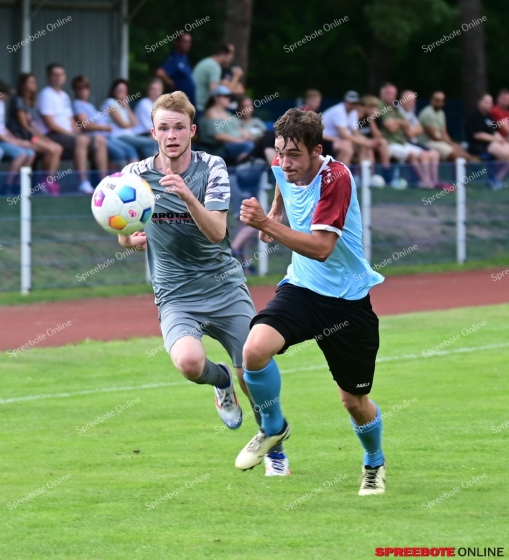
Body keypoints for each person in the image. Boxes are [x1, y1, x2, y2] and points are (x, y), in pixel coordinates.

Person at [118, 91, 291, 477]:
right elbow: (123, 231)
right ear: (153, 133)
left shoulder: (212, 166)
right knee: (189, 363)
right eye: (164, 128)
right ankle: (220, 381)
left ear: (192, 131)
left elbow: (216, 231)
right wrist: (130, 239)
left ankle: (274, 445)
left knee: (253, 372)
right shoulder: (134, 175)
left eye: (179, 127)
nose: (172, 135)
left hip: (223, 286)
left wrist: (185, 195)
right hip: (175, 293)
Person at [235, 108, 386, 495]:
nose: (285, 163)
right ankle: (274, 428)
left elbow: (321, 248)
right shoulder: (282, 165)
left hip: (347, 303)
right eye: (280, 153)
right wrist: (275, 211)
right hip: (302, 289)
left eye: (294, 155)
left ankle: (373, 462)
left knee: (354, 401)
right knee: (254, 351)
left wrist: (267, 224)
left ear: (316, 151)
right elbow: (281, 185)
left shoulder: (336, 178)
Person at [38, 63, 107, 194]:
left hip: (67, 135)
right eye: (55, 74)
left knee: (99, 139)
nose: (58, 77)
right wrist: (74, 135)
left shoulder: (64, 96)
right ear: (48, 77)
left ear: (64, 77)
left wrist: (78, 132)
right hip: (52, 135)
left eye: (61, 74)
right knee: (81, 140)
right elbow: (50, 124)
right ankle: (83, 183)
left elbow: (70, 120)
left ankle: (104, 182)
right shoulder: (46, 94)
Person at [7, 72, 64, 193]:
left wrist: (43, 137)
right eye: (31, 82)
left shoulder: (33, 101)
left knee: (58, 148)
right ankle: (43, 182)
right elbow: (24, 125)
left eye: (34, 82)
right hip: (22, 136)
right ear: (23, 85)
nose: (34, 84)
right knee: (51, 150)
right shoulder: (18, 101)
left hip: (31, 135)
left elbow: (33, 124)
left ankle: (49, 180)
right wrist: (38, 137)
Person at [379, 84, 441, 188]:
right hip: (391, 143)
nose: (392, 96)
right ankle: (425, 182)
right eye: (389, 93)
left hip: (402, 143)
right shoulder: (382, 106)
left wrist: (399, 123)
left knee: (429, 154)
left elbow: (414, 129)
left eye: (394, 94)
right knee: (416, 155)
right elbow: (393, 128)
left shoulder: (395, 108)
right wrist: (402, 123)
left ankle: (432, 182)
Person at [72, 75, 137, 167]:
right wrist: (104, 128)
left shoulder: (89, 105)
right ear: (75, 90)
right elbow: (84, 124)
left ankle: (133, 175)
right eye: (79, 88)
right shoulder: (77, 104)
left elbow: (135, 123)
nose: (83, 90)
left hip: (106, 136)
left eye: (85, 87)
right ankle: (108, 177)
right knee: (120, 153)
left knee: (129, 150)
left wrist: (126, 106)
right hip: (99, 137)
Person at [0, 79, 36, 193]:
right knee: (21, 154)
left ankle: (20, 185)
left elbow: (2, 127)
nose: (7, 97)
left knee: (31, 153)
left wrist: (15, 139)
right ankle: (7, 185)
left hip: (3, 138)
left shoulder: (0, 104)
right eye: (6, 94)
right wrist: (17, 143)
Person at [101, 79, 159, 160]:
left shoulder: (123, 107)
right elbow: (123, 124)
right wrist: (130, 125)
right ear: (113, 91)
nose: (122, 92)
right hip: (118, 136)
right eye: (119, 90)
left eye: (124, 91)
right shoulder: (110, 102)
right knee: (151, 143)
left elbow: (135, 123)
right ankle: (159, 167)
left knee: (142, 149)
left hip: (128, 135)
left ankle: (151, 167)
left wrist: (127, 106)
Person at [199, 86, 254, 164]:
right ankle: (241, 165)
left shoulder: (228, 113)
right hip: (218, 149)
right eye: (225, 96)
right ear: (216, 98)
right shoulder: (211, 113)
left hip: (233, 145)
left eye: (229, 96)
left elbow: (238, 128)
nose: (229, 99)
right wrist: (239, 140)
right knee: (248, 145)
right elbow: (218, 136)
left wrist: (245, 134)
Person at [418, 91, 477, 162]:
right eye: (437, 100)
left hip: (439, 142)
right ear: (431, 100)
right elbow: (434, 137)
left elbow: (444, 133)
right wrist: (451, 145)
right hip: (427, 143)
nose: (440, 102)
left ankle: (474, 164)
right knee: (456, 154)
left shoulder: (441, 113)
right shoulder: (427, 113)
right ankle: (475, 164)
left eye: (442, 100)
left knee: (460, 151)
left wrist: (452, 144)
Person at [466, 93, 509, 190]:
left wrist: (502, 140)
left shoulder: (489, 117)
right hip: (479, 145)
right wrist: (495, 139)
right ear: (479, 102)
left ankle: (496, 179)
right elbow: (478, 135)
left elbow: (493, 131)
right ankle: (493, 179)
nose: (488, 104)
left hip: (492, 143)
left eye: (490, 102)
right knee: (506, 154)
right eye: (486, 102)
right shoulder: (474, 117)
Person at [193, 43, 244, 115]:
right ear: (224, 55)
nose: (231, 58)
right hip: (199, 106)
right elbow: (215, 92)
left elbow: (240, 90)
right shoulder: (215, 67)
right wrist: (236, 77)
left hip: (194, 103)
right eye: (229, 55)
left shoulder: (207, 62)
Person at [156, 34, 196, 107]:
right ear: (177, 42)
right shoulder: (174, 58)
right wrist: (170, 83)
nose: (187, 44)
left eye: (189, 42)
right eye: (184, 41)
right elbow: (160, 72)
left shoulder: (184, 57)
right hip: (177, 105)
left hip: (188, 104)